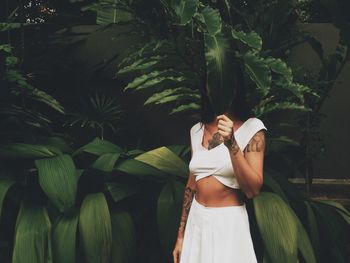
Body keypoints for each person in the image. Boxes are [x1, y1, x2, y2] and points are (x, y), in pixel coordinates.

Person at [172, 82, 267, 263]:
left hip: (228, 224)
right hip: (197, 222)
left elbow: (253, 190)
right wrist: (181, 236)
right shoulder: (197, 130)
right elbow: (191, 185)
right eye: (211, 82)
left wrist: (231, 142)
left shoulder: (253, 128)